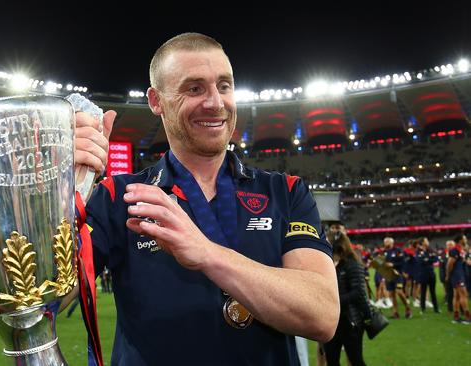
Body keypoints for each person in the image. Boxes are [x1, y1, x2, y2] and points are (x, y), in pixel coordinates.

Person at [85, 32, 339, 365]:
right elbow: (44, 297)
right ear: (156, 100)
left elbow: (322, 315)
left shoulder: (286, 191)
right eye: (194, 88)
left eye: (224, 85)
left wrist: (207, 253)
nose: (215, 102)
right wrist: (59, 188)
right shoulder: (119, 197)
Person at [323, 231, 370, 366]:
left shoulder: (352, 263)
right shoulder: (328, 264)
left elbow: (359, 292)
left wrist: (335, 301)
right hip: (332, 321)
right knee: (331, 360)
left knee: (355, 360)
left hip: (350, 321)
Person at [382, 237, 412, 319]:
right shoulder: (384, 252)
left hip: (397, 274)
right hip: (388, 275)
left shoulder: (398, 250)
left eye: (386, 241)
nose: (385, 243)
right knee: (392, 294)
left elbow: (403, 262)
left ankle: (407, 308)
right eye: (384, 242)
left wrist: (393, 265)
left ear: (391, 242)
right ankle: (395, 312)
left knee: (399, 291)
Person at [445, 234, 470, 323]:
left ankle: (456, 316)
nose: (466, 239)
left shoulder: (461, 250)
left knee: (457, 296)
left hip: (460, 275)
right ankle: (468, 317)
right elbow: (449, 264)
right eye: (464, 238)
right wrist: (448, 275)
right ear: (460, 240)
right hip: (457, 275)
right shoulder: (455, 250)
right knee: (463, 295)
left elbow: (463, 261)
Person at [415, 237, 439, 314]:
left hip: (431, 274)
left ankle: (436, 309)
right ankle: (422, 308)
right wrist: (429, 259)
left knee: (433, 292)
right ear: (422, 242)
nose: (428, 241)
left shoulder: (430, 250)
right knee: (423, 291)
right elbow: (420, 261)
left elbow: (435, 259)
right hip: (423, 274)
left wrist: (427, 259)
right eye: (426, 240)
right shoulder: (418, 251)